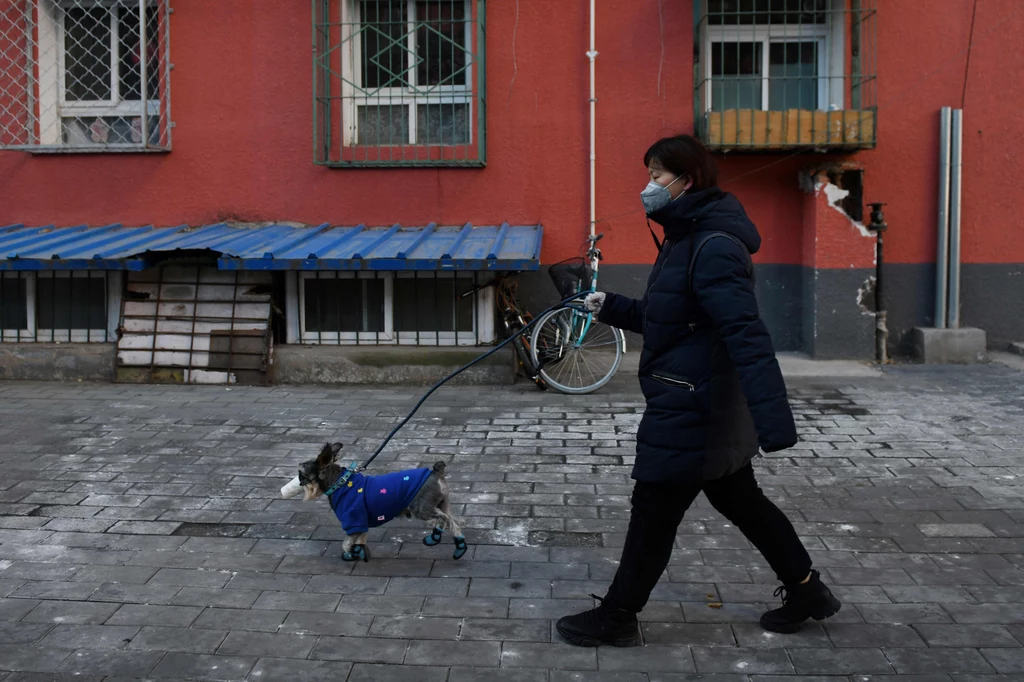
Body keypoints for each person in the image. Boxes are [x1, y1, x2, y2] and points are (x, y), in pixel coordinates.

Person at [556, 134, 840, 648]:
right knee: (743, 501)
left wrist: (774, 421)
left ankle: (619, 615)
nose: (648, 186)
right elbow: (671, 319)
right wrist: (611, 305)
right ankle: (808, 592)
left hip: (695, 404)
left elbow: (745, 332)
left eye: (657, 176)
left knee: (654, 510)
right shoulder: (685, 239)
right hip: (697, 397)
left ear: (686, 181)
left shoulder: (712, 246)